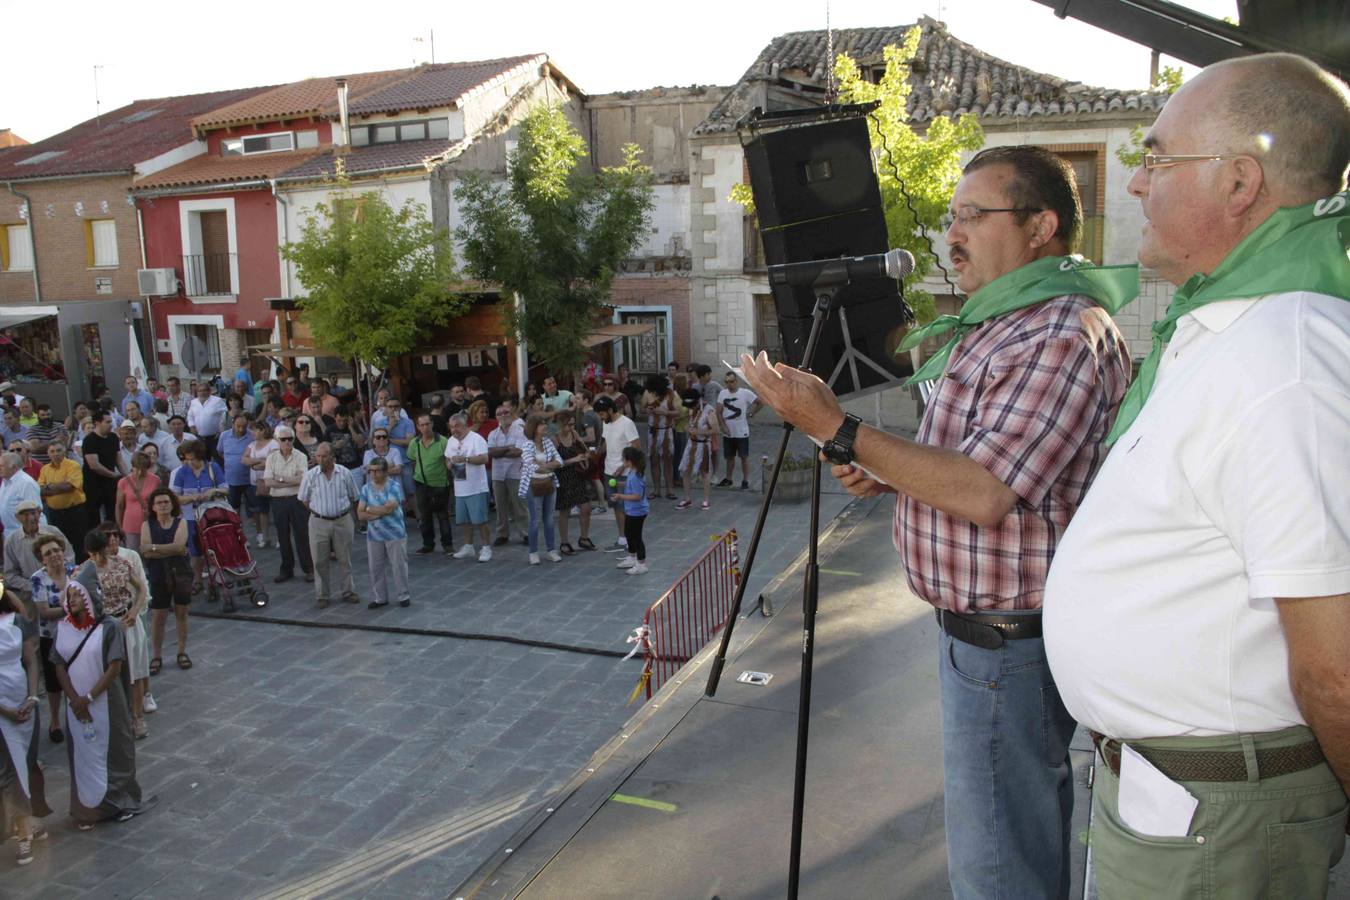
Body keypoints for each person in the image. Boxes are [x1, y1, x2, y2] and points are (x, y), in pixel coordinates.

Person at [737, 142, 1137, 900]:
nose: (951, 235)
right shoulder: (999, 324)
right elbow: (973, 463)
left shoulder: (1055, 333)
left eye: (973, 217)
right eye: (952, 217)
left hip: (1007, 647)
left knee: (997, 869)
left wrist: (839, 429)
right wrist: (884, 471)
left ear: (1041, 226)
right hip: (988, 644)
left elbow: (987, 491)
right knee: (1012, 839)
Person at [1042, 54, 1350, 900]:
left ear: (1239, 182)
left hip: (1219, 820)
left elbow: (1338, 670)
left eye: (1155, 158)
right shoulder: (1230, 331)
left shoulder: (1286, 360)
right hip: (1174, 798)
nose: (1136, 186)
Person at [50, 579, 147, 829]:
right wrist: (74, 699)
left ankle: (121, 802)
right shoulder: (62, 629)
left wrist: (89, 698)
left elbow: (114, 666)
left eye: (77, 595)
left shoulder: (110, 626)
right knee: (83, 754)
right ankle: (86, 810)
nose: (71, 600)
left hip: (106, 701)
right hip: (77, 706)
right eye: (68, 595)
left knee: (116, 751)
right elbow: (59, 665)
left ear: (90, 598)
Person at [77, 530, 150, 739]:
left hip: (127, 620)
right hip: (103, 628)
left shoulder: (120, 563)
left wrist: (135, 610)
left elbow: (141, 588)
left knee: (134, 672)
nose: (100, 557)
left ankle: (136, 717)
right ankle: (115, 719)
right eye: (95, 553)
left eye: (102, 551)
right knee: (110, 674)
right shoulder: (83, 573)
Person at [0, 585, 51, 865]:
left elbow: (31, 661)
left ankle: (30, 819)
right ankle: (22, 835)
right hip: (2, 708)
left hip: (24, 699)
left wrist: (32, 695)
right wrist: (5, 711)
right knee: (10, 771)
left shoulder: (16, 621)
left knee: (28, 763)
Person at [99, 522, 157, 724]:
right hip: (110, 622)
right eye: (108, 535)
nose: (113, 538)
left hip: (133, 614)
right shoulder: (92, 564)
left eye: (116, 534)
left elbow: (142, 587)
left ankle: (140, 707)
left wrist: (135, 612)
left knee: (138, 664)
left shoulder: (129, 558)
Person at [299, 443, 361, 609]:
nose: (320, 459)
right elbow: (304, 499)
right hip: (318, 521)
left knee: (344, 558)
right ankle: (322, 595)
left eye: (324, 456)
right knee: (319, 560)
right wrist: (319, 512)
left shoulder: (344, 473)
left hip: (342, 520)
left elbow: (354, 495)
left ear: (332, 457)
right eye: (318, 456)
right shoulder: (310, 475)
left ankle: (348, 591)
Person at [140, 489, 193, 675]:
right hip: (158, 574)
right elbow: (144, 550)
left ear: (172, 504)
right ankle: (156, 655)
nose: (163, 505)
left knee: (181, 612)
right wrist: (172, 549)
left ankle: (181, 651)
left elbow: (180, 545)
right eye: (159, 502)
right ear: (153, 507)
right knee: (158, 616)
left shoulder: (181, 522)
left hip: (180, 572)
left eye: (166, 502)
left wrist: (154, 548)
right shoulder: (147, 525)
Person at [29, 534, 73, 745]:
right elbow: (44, 612)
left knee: (76, 676)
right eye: (48, 553)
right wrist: (70, 609)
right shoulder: (38, 578)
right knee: (54, 682)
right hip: (51, 637)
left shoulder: (75, 571)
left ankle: (74, 716)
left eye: (57, 550)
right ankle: (55, 720)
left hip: (75, 633)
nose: (54, 555)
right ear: (42, 559)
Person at [169, 442, 226, 594]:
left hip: (212, 515)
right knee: (196, 551)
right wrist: (193, 497)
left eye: (192, 459)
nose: (189, 462)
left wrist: (213, 492)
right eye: (186, 459)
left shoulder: (213, 468)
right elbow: (175, 497)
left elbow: (225, 489)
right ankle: (198, 580)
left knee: (214, 548)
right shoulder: (182, 472)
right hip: (190, 517)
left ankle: (217, 577)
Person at [263, 426, 313, 584]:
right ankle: (286, 569)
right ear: (277, 440)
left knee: (302, 535)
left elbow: (303, 480)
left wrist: (280, 479)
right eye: (283, 439)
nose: (287, 442)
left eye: (290, 439)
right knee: (282, 536)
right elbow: (267, 482)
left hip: (296, 500)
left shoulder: (300, 456)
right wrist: (291, 479)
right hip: (278, 501)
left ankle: (309, 568)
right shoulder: (271, 458)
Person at [358, 457, 409, 609]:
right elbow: (360, 514)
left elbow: (390, 508)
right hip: (375, 535)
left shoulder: (394, 486)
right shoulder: (366, 488)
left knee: (398, 565)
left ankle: (403, 595)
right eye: (371, 471)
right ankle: (380, 597)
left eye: (377, 471)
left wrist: (369, 509)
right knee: (375, 567)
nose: (373, 474)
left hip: (395, 533)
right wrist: (378, 512)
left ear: (385, 472)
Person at [4, 500, 72, 612]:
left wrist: (58, 578)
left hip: (61, 589)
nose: (31, 518)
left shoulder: (53, 532)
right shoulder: (12, 541)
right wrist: (33, 585)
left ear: (40, 513)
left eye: (33, 513)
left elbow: (69, 557)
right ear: (17, 517)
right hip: (30, 596)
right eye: (26, 514)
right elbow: (10, 573)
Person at [594, 396, 640, 554]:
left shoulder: (627, 423)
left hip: (624, 474)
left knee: (625, 507)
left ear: (610, 410)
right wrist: (596, 453)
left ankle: (629, 539)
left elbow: (636, 447)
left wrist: (623, 466)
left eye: (602, 414)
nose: (600, 417)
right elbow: (606, 442)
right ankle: (623, 539)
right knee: (616, 506)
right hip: (609, 471)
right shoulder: (606, 423)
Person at [445, 414, 492, 562]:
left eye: (457, 426)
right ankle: (468, 546)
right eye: (452, 427)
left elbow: (485, 458)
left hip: (476, 487)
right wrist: (449, 464)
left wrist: (465, 459)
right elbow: (447, 457)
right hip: (460, 487)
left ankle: (486, 547)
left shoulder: (476, 439)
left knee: (480, 520)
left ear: (465, 425)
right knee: (464, 520)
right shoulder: (451, 441)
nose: (454, 430)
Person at [517, 413, 562, 565]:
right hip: (533, 485)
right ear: (534, 428)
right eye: (542, 424)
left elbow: (559, 461)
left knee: (549, 519)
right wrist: (549, 466)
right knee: (534, 520)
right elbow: (531, 466)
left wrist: (544, 466)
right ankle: (533, 552)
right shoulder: (527, 445)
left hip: (549, 483)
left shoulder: (548, 442)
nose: (545, 426)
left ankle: (551, 550)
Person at [407, 413, 452, 556]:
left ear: (432, 424)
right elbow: (413, 461)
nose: (425, 428)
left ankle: (448, 545)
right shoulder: (414, 443)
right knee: (424, 516)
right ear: (418, 427)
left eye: (427, 424)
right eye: (422, 425)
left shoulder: (443, 441)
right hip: (421, 483)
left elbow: (448, 462)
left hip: (440, 484)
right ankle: (428, 544)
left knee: (442, 515)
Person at [552, 409, 593, 554]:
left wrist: (586, 456)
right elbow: (554, 463)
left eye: (573, 424)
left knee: (586, 507)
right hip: (563, 477)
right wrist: (573, 460)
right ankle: (564, 542)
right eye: (569, 425)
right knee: (565, 511)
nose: (571, 427)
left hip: (578, 475)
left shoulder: (574, 435)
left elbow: (585, 449)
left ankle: (584, 538)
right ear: (561, 424)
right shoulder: (555, 439)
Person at [487, 404, 527, 547]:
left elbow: (518, 452)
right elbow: (491, 453)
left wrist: (500, 451)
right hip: (498, 475)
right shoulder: (493, 433)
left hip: (515, 473)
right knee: (500, 506)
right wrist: (508, 448)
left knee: (520, 506)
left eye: (506, 412)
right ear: (496, 417)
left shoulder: (520, 430)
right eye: (500, 413)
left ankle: (526, 533)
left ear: (511, 414)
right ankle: (502, 534)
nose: (503, 415)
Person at [714, 371, 760, 489]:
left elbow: (759, 402)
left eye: (732, 381)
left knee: (744, 457)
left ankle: (745, 480)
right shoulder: (723, 393)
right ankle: (729, 478)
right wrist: (723, 427)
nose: (729, 384)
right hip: (728, 432)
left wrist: (751, 414)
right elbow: (718, 412)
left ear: (736, 381)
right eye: (727, 382)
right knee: (729, 457)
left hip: (742, 431)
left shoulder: (745, 393)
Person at [38, 440, 86, 551]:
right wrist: (59, 487)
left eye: (59, 450)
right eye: (52, 451)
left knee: (79, 543)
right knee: (59, 544)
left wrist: (49, 487)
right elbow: (40, 490)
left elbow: (69, 486)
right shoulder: (44, 469)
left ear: (64, 451)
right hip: (55, 514)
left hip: (75, 512)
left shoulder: (73, 465)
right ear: (48, 454)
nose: (56, 453)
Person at [611, 447, 649, 576]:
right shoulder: (632, 472)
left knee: (636, 537)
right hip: (631, 511)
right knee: (628, 533)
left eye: (623, 459)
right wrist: (620, 486)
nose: (622, 461)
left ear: (629, 461)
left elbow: (637, 496)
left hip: (637, 512)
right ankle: (632, 558)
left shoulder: (635, 476)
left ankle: (641, 564)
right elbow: (630, 487)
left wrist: (620, 496)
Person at [676, 388, 715, 510]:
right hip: (691, 443)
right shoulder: (692, 409)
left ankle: (706, 500)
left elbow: (716, 430)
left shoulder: (709, 410)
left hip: (703, 444)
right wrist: (688, 428)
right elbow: (689, 423)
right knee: (685, 470)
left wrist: (699, 431)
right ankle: (687, 499)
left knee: (705, 472)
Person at [241, 420, 277, 547]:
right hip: (256, 482)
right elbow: (244, 460)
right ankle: (265, 537)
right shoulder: (252, 445)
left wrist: (255, 464)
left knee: (276, 510)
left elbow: (271, 462)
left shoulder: (273, 444)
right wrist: (258, 461)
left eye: (255, 430)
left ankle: (279, 538)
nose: (253, 433)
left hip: (271, 481)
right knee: (262, 511)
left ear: (263, 430)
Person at [115, 451, 160, 552]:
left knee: (151, 553)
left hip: (150, 522)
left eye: (143, 470)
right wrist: (119, 526)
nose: (140, 472)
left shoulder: (155, 480)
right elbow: (119, 506)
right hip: (130, 524)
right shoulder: (124, 482)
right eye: (137, 469)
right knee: (133, 554)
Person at [642, 375, 678, 500]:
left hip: (666, 431)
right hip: (652, 431)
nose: (654, 393)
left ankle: (670, 490)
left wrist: (665, 413)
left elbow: (678, 412)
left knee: (668, 461)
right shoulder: (648, 393)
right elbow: (642, 409)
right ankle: (656, 490)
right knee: (654, 460)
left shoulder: (671, 394)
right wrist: (648, 409)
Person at [0, 451, 44, 534]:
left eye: (1, 466)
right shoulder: (5, 480)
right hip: (9, 532)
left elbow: (36, 511)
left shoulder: (26, 483)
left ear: (13, 467)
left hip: (26, 533)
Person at [188, 381, 227, 460]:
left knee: (218, 460)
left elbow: (225, 415)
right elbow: (190, 416)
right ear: (197, 392)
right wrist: (191, 426)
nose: (202, 393)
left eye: (204, 390)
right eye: (200, 391)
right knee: (202, 461)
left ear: (209, 391)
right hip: (199, 438)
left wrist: (220, 430)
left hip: (214, 438)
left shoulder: (217, 401)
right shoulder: (193, 402)